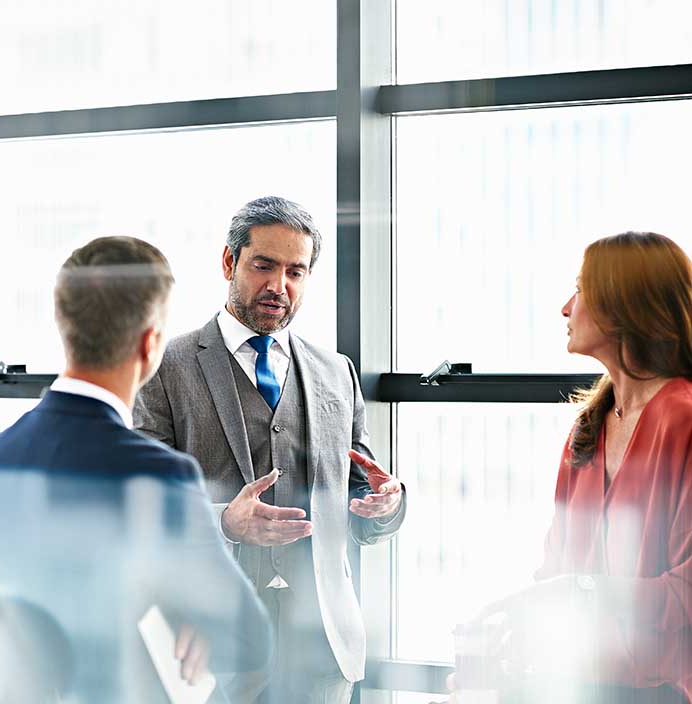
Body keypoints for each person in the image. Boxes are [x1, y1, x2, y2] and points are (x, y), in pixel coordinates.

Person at [0, 236, 273, 704]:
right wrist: (195, 623)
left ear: (64, 325)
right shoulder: (153, 473)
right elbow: (250, 637)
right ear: (151, 344)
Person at [134, 196, 406, 704]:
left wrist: (385, 505)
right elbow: (142, 506)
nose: (278, 286)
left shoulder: (336, 372)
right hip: (211, 641)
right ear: (228, 262)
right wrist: (224, 522)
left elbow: (360, 498)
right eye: (264, 265)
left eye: (295, 272)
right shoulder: (166, 366)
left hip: (321, 645)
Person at [457, 232, 692, 703]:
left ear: (623, 304)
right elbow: (556, 571)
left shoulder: (683, 419)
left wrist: (581, 591)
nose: (566, 308)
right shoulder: (589, 426)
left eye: (581, 289)